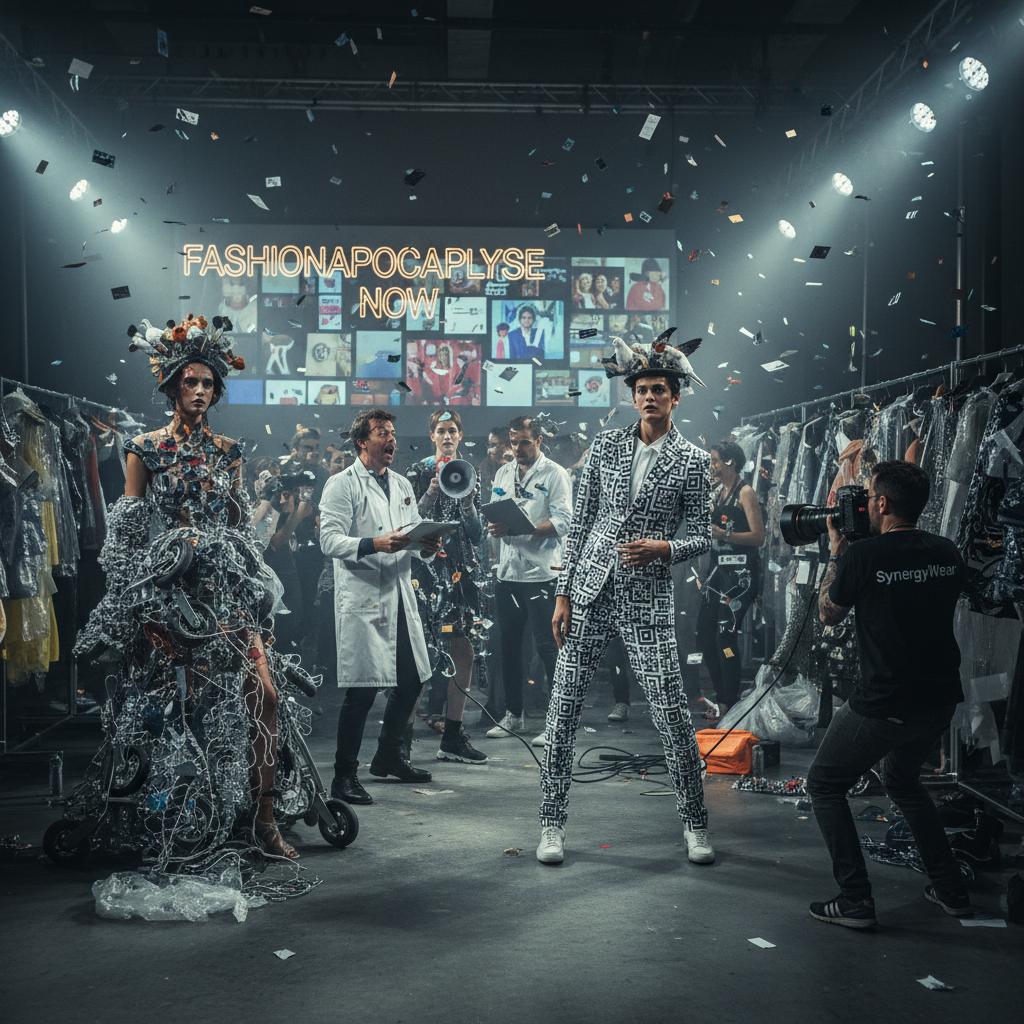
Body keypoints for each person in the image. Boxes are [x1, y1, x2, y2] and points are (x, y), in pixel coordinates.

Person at [73, 313, 303, 862]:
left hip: (226, 594)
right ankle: (171, 822)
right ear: (172, 387)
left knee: (265, 697)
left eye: (208, 383)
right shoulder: (144, 448)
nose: (199, 390)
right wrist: (134, 606)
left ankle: (265, 818)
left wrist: (256, 585)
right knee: (174, 711)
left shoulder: (229, 451)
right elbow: (127, 534)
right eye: (189, 381)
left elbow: (239, 528)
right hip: (169, 599)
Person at [537, 332, 714, 867]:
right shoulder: (606, 446)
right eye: (642, 390)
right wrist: (564, 592)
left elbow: (702, 535)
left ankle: (696, 825)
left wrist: (667, 547)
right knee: (562, 711)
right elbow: (581, 524)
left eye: (659, 389)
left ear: (675, 396)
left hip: (648, 598)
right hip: (590, 591)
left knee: (672, 714)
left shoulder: (693, 460)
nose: (649, 397)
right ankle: (551, 824)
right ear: (632, 396)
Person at [808, 460, 971, 929]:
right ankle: (951, 891)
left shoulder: (863, 556)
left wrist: (837, 551)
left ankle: (855, 899)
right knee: (902, 782)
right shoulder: (947, 551)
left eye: (867, 495)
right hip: (939, 699)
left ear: (881, 503)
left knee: (824, 784)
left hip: (885, 702)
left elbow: (828, 614)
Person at [319, 410, 442, 806]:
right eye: (381, 433)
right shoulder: (342, 484)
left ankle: (388, 755)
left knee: (412, 680)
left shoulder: (402, 484)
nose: (391, 439)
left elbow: (410, 534)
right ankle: (343, 776)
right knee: (363, 691)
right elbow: (329, 540)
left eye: (392, 432)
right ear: (362, 442)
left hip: (399, 594)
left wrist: (426, 545)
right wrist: (374, 543)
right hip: (364, 597)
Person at [485, 416, 572, 741]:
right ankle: (514, 715)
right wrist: (495, 526)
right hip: (508, 572)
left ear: (538, 440)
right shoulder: (503, 473)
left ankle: (558, 721)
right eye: (514, 442)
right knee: (508, 647)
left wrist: (530, 528)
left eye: (524, 442)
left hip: (543, 573)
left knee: (548, 647)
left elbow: (564, 520)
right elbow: (496, 511)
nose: (518, 448)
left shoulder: (555, 474)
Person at [409, 410, 488, 764]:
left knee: (463, 649)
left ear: (460, 435)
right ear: (431, 435)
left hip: (461, 571)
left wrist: (468, 505)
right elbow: (407, 524)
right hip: (425, 572)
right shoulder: (417, 471)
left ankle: (453, 736)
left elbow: (477, 535)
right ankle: (401, 742)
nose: (446, 436)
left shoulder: (470, 472)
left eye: (452, 430)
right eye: (441, 430)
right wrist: (429, 493)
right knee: (419, 653)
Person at [695, 440, 765, 718]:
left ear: (730, 462)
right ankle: (722, 693)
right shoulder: (717, 492)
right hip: (717, 574)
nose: (711, 466)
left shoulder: (745, 493)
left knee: (726, 636)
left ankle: (728, 701)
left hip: (740, 575)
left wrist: (724, 534)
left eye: (714, 460)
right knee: (704, 635)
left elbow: (758, 537)